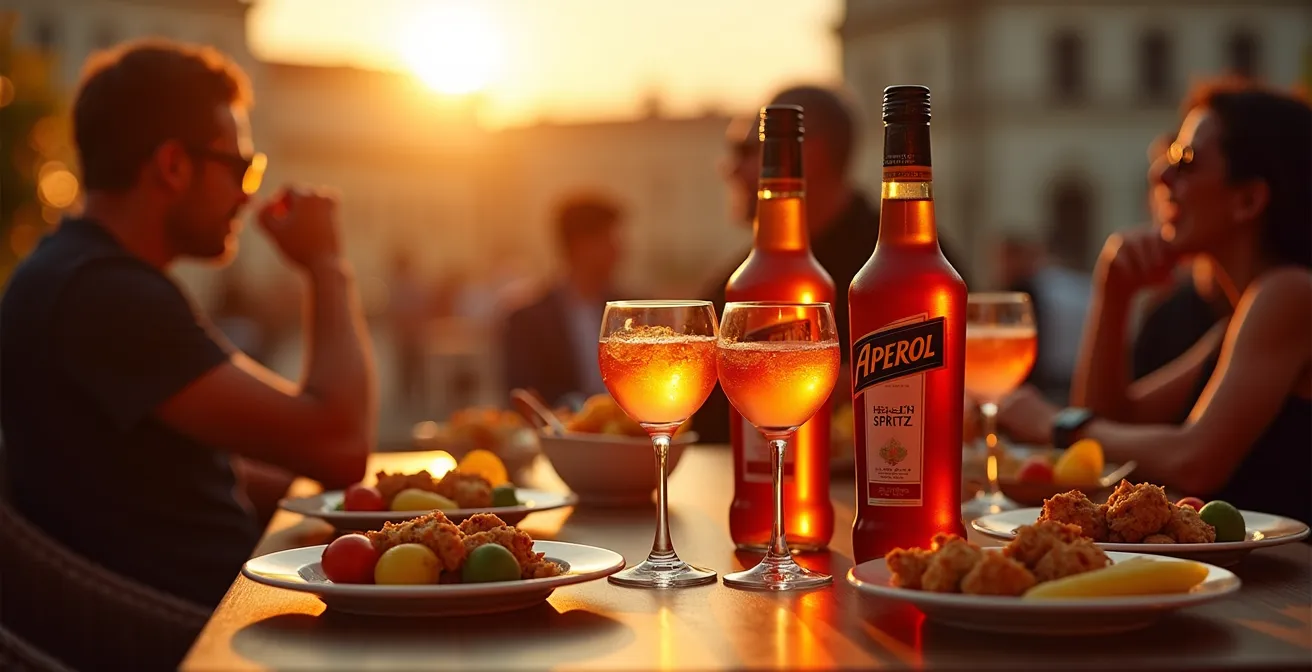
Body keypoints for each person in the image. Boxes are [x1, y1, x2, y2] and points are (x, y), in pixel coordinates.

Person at [0, 40, 377, 608]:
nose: (247, 198)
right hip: (199, 630)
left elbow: (160, 469)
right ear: (173, 165)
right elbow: (340, 442)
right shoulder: (107, 296)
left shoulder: (75, 273)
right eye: (241, 168)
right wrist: (326, 264)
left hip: (197, 605)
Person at [999, 80, 1312, 524]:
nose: (1160, 175)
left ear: (1248, 199)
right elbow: (1111, 421)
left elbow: (1195, 459)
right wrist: (1114, 294)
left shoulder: (1291, 293)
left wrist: (1053, 425)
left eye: (1185, 160)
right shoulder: (1245, 316)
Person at [694, 84, 969, 442]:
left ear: (806, 152)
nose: (728, 169)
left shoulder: (913, 264)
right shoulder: (747, 274)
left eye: (747, 150)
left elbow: (957, 382)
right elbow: (702, 406)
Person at [500, 192, 625, 408]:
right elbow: (526, 397)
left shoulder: (630, 311)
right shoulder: (528, 321)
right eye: (608, 239)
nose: (619, 250)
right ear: (580, 245)